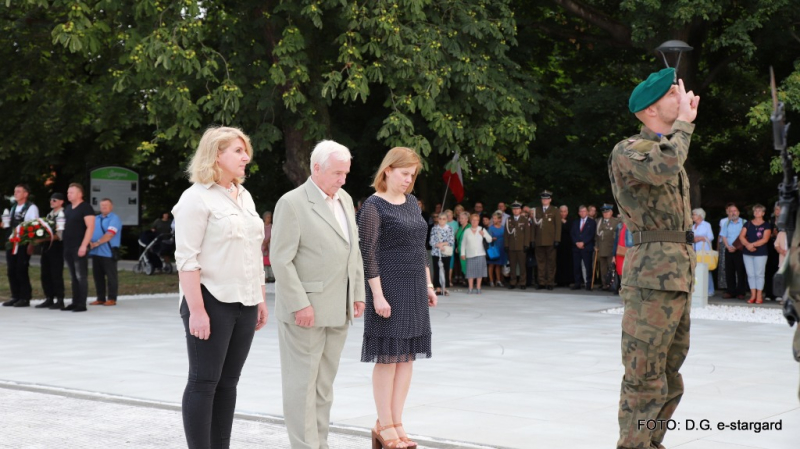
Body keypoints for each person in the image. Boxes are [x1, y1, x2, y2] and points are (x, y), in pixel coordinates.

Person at [608, 68, 699, 449]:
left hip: (678, 276)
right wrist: (684, 126)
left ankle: (652, 443)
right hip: (651, 280)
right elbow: (661, 167)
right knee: (644, 376)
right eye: (672, 94)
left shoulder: (672, 147)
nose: (681, 98)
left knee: (669, 374)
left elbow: (670, 161)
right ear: (649, 110)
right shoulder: (630, 149)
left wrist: (680, 128)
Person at [172, 127, 268, 448]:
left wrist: (261, 298)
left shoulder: (244, 195)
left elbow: (253, 251)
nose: (246, 157)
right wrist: (196, 311)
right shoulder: (195, 198)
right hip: (210, 302)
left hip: (246, 302)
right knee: (204, 382)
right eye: (238, 151)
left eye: (246, 150)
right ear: (216, 155)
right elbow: (186, 260)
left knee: (228, 384)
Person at [272, 140, 365, 449]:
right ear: (316, 168)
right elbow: (281, 259)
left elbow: (354, 250)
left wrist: (358, 292)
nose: (343, 179)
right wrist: (300, 303)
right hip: (306, 311)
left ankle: (320, 443)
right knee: (302, 385)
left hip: (340, 309)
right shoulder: (293, 202)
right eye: (337, 173)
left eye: (346, 173)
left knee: (324, 386)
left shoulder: (345, 199)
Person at [356, 147, 435, 449]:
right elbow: (368, 254)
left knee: (407, 359)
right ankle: (384, 422)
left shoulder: (412, 202)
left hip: (414, 286)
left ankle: (396, 421)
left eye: (412, 175)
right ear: (388, 170)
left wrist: (428, 284)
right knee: (388, 358)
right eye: (404, 174)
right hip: (387, 288)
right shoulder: (373, 207)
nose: (408, 180)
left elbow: (420, 248)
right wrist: (377, 295)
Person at [1, 184, 39, 307]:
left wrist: (31, 245)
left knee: (21, 269)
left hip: (23, 243)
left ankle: (25, 297)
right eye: (15, 191)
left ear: (25, 194)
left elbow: (33, 227)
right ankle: (15, 296)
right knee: (11, 270)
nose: (15, 193)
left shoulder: (31, 208)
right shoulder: (12, 208)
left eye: (18, 191)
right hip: (11, 243)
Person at [62, 183, 95, 312]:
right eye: (68, 192)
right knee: (73, 276)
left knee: (81, 275)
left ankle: (82, 303)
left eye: (71, 192)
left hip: (78, 245)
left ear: (80, 194)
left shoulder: (86, 208)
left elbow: (90, 227)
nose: (68, 194)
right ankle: (75, 302)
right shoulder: (68, 208)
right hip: (68, 246)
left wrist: (84, 245)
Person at [87, 199, 122, 306]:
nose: (104, 207)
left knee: (111, 277)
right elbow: (88, 230)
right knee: (98, 277)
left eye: (106, 205)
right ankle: (100, 298)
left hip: (108, 253)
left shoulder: (114, 219)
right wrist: (88, 242)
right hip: (96, 252)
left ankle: (112, 298)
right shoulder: (96, 218)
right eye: (102, 205)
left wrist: (97, 242)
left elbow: (110, 234)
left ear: (111, 206)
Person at [36, 193, 66, 309]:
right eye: (51, 200)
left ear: (61, 202)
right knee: (45, 273)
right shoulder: (50, 215)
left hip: (57, 247)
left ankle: (60, 299)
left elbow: (60, 235)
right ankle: (49, 297)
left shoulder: (62, 214)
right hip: (47, 246)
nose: (51, 202)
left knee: (56, 273)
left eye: (54, 200)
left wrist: (42, 239)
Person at [739, 204, 773, 304]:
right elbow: (741, 237)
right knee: (750, 274)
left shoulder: (766, 225)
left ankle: (759, 295)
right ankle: (752, 295)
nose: (756, 212)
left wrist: (751, 245)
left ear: (763, 213)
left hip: (761, 253)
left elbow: (765, 239)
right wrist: (748, 245)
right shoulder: (748, 224)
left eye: (759, 211)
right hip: (747, 253)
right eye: (755, 211)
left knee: (759, 274)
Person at [531, 190, 561, 290]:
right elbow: (533, 226)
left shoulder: (555, 210)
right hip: (539, 240)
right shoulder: (536, 210)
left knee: (551, 263)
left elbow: (558, 226)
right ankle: (541, 282)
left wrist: (557, 239)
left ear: (550, 200)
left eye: (547, 198)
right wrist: (532, 240)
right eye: (543, 199)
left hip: (550, 240)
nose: (545, 200)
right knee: (540, 263)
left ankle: (550, 282)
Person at [721, 203, 748, 299]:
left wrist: (736, 247)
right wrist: (727, 246)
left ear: (738, 212)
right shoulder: (727, 223)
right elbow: (723, 236)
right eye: (731, 211)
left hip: (740, 250)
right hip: (729, 250)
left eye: (734, 211)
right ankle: (731, 291)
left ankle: (741, 292)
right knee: (729, 271)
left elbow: (746, 237)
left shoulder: (745, 222)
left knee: (741, 271)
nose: (733, 213)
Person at [461, 213, 492, 294]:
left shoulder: (482, 229)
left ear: (478, 221)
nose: (474, 222)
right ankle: (470, 288)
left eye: (476, 220)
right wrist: (462, 253)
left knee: (479, 272)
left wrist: (484, 234)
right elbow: (463, 243)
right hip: (470, 254)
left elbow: (490, 240)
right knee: (470, 272)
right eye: (473, 220)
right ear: (470, 221)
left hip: (480, 254)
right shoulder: (467, 231)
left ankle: (478, 288)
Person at [504, 201, 531, 290]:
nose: (515, 211)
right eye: (514, 209)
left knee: (522, 265)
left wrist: (526, 244)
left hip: (521, 246)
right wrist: (506, 245)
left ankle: (523, 282)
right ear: (512, 210)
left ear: (520, 210)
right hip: (511, 246)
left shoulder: (524, 220)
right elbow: (506, 234)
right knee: (512, 265)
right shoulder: (508, 220)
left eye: (517, 209)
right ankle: (513, 282)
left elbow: (527, 234)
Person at [570, 205, 596, 290]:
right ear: (578, 213)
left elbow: (591, 235)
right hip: (576, 247)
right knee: (576, 266)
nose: (582, 213)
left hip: (587, 247)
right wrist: (576, 242)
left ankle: (588, 284)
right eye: (581, 211)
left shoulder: (592, 222)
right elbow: (572, 234)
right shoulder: (575, 222)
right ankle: (577, 283)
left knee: (588, 266)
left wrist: (583, 242)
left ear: (587, 212)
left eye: (584, 211)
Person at [595, 204, 620, 291]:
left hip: (611, 248)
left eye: (607, 212)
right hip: (601, 248)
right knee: (603, 268)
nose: (605, 214)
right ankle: (604, 284)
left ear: (611, 212)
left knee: (611, 267)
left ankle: (612, 284)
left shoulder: (616, 221)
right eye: (604, 212)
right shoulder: (599, 221)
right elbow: (597, 236)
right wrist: (596, 246)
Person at [691, 208, 715, 296]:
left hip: (705, 252)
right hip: (694, 251)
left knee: (707, 270)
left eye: (694, 214)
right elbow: (689, 238)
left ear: (700, 216)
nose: (692, 216)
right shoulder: (692, 226)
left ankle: (710, 290)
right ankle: (697, 290)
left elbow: (711, 237)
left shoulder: (706, 225)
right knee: (696, 271)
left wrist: (700, 238)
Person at [429, 212, 455, 295]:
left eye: (444, 219)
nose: (442, 220)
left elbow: (451, 240)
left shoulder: (449, 228)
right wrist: (437, 245)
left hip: (446, 252)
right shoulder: (434, 228)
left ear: (446, 220)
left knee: (446, 270)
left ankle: (445, 288)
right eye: (440, 218)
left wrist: (443, 244)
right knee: (436, 270)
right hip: (436, 252)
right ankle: (438, 288)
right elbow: (431, 241)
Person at [763, 203, 781, 300]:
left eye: (780, 209)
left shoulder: (787, 222)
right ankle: (769, 293)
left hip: (781, 250)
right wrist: (773, 235)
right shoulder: (769, 222)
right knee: (769, 271)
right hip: (770, 249)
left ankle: (778, 293)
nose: (778, 211)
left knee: (779, 271)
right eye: (776, 209)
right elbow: (765, 237)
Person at [487, 211, 508, 287]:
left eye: (495, 218)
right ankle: (491, 280)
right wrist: (492, 239)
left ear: (500, 219)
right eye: (493, 218)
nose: (494, 220)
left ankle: (498, 280)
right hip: (493, 247)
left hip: (501, 247)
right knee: (492, 264)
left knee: (499, 265)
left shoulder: (503, 228)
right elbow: (487, 238)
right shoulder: (491, 228)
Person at [555, 205, 574, 287]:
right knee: (558, 263)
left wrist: (565, 223)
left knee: (567, 263)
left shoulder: (571, 220)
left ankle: (567, 281)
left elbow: (572, 231)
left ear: (567, 212)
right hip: (558, 245)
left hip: (568, 245)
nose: (563, 213)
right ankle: (559, 281)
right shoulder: (556, 219)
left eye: (564, 211)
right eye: (561, 211)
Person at [452, 211, 470, 286]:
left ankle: (468, 280)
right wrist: (457, 247)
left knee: (467, 265)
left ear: (467, 219)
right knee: (462, 265)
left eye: (462, 218)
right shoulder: (459, 228)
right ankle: (464, 279)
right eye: (459, 218)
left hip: (467, 249)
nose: (460, 220)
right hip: (460, 249)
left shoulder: (469, 227)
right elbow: (457, 239)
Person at [262, 211, 274, 282]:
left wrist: (267, 242)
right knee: (263, 262)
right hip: (262, 246)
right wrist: (264, 243)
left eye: (270, 217)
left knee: (270, 261)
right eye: (268, 217)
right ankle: (265, 276)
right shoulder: (261, 226)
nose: (269, 219)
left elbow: (272, 235)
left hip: (270, 246)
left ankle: (271, 276)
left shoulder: (272, 227)